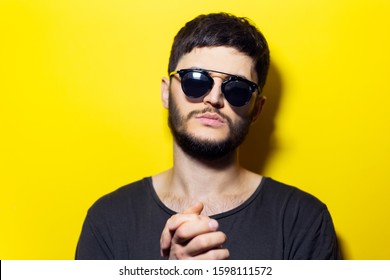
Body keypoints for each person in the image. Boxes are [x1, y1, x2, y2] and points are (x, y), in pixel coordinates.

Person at [75, 12, 340, 260]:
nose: (214, 98)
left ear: (257, 108)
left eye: (237, 88)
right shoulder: (108, 220)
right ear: (167, 93)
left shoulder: (303, 220)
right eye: (196, 80)